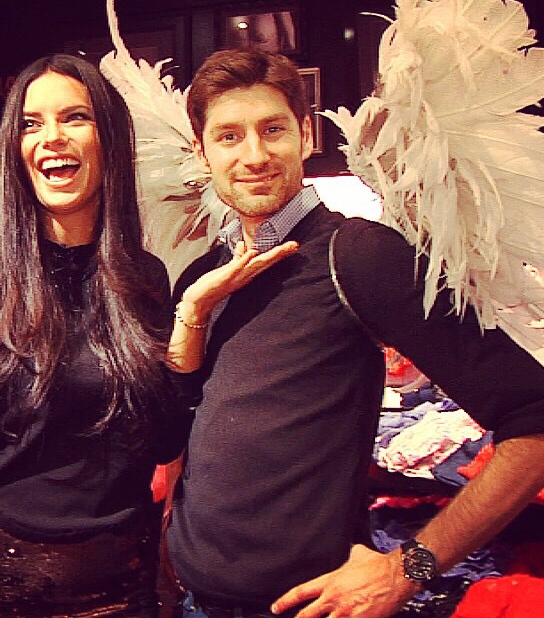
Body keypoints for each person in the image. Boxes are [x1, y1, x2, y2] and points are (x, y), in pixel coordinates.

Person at [163, 48, 544, 618]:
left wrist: (409, 568)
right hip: (193, 601)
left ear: (306, 134)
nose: (254, 155)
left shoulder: (358, 255)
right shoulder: (204, 276)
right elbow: (182, 431)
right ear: (201, 151)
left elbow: (534, 420)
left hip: (307, 605)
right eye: (229, 136)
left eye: (273, 130)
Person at [0, 53, 191, 618]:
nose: (51, 137)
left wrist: (193, 325)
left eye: (74, 117)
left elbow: (162, 442)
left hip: (126, 582)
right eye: (31, 124)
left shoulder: (145, 277)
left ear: (110, 142)